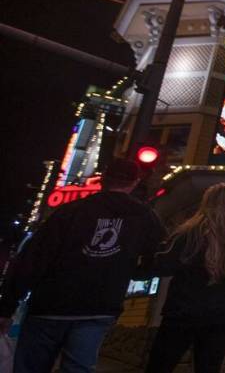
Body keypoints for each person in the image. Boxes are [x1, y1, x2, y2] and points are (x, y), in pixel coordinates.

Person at [0, 159, 165, 373]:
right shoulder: (145, 218)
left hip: (51, 304)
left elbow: (33, 259)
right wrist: (135, 272)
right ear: (135, 182)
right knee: (79, 367)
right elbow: (159, 254)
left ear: (104, 178)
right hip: (100, 306)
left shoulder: (70, 211)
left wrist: (7, 305)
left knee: (31, 366)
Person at [145, 183, 225, 373]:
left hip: (185, 308)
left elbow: (164, 266)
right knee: (209, 366)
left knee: (161, 364)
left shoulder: (189, 233)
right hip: (224, 311)